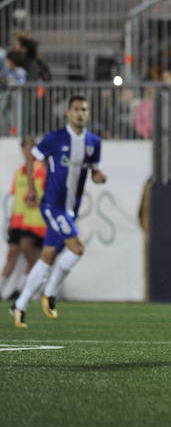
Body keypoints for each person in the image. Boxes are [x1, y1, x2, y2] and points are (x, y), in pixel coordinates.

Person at [10, 96, 106, 328]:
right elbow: (33, 157)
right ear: (67, 113)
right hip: (53, 205)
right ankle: (50, 292)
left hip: (71, 209)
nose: (80, 113)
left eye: (84, 109)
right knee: (77, 249)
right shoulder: (55, 138)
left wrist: (98, 176)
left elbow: (93, 170)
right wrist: (32, 188)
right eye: (76, 109)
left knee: (48, 256)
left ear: (88, 113)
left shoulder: (93, 142)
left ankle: (20, 305)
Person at [2, 139, 46, 297]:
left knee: (30, 252)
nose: (27, 153)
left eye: (30, 149)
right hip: (18, 220)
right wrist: (10, 219)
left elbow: (42, 192)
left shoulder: (40, 169)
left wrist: (35, 198)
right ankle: (7, 288)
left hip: (34, 219)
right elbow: (16, 197)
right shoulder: (19, 171)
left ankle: (28, 289)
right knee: (12, 253)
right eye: (25, 150)